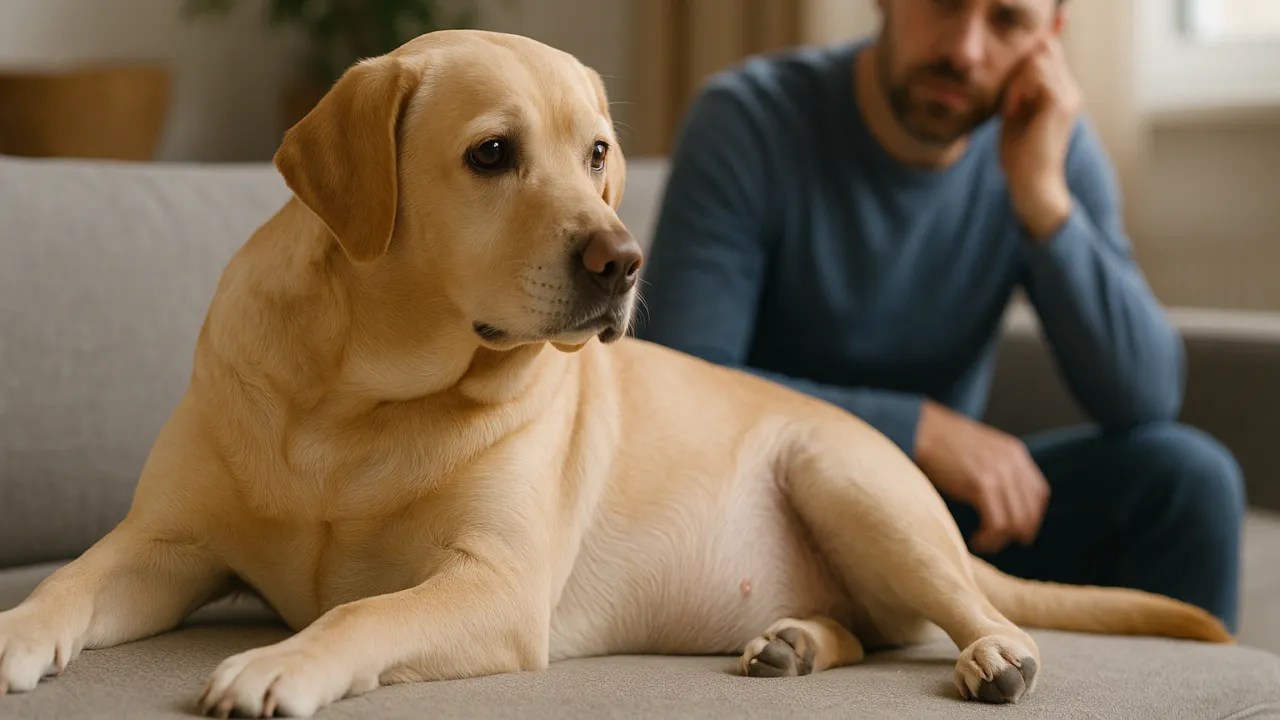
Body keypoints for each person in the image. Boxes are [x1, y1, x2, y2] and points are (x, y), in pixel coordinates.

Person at [633, 0, 1245, 632]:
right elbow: (685, 378)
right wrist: (919, 430)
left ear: (1049, 40)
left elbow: (1144, 397)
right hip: (763, 514)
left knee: (1189, 481)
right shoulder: (748, 120)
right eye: (944, 4)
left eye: (1007, 20)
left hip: (941, 523)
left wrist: (1043, 201)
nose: (966, 49)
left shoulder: (1045, 146)